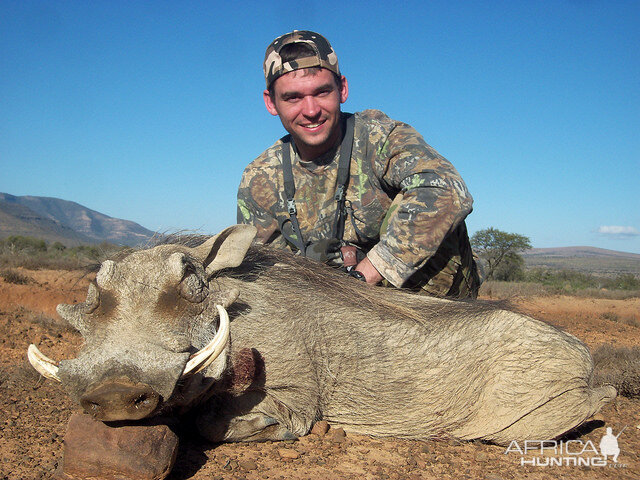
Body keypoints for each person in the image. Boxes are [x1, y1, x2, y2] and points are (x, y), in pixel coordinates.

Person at [237, 30, 480, 298]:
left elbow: (447, 190)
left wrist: (363, 277)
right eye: (293, 97)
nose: (310, 110)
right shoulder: (260, 178)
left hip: (423, 298)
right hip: (332, 307)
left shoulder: (379, 137)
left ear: (342, 89)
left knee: (425, 210)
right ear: (271, 103)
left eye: (322, 92)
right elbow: (270, 274)